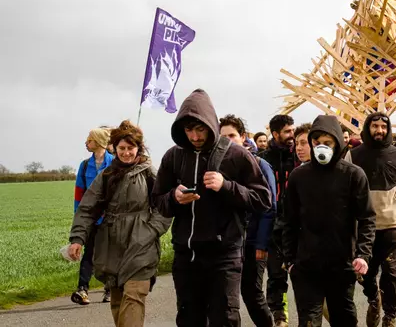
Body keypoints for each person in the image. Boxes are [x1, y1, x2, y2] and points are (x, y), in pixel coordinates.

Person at [152, 89, 271, 327]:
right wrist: (174, 198)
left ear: (210, 125)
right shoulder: (173, 157)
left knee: (224, 320)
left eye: (200, 129)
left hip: (224, 256)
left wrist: (226, 186)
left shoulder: (236, 154)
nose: (194, 136)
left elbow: (262, 199)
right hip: (186, 255)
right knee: (189, 321)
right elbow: (157, 202)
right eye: (188, 130)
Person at [68, 121, 171, 326]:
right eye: (121, 148)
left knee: (134, 296)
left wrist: (149, 231)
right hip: (111, 244)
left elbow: (165, 207)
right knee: (117, 300)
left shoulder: (149, 173)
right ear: (114, 148)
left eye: (130, 148)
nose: (126, 153)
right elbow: (87, 208)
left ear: (138, 148)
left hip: (142, 245)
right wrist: (77, 238)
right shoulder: (106, 176)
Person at [283, 115, 376, 327]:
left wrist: (363, 254)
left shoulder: (354, 175)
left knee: (343, 318)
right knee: (308, 321)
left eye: (327, 143)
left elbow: (367, 218)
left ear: (337, 143)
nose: (321, 148)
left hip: (341, 264)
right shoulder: (298, 177)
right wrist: (289, 260)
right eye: (316, 143)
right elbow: (289, 219)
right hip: (307, 265)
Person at [351, 113, 396, 327]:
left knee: (392, 276)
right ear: (367, 128)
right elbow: (344, 193)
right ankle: (374, 300)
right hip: (363, 228)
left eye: (383, 126)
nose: (379, 130)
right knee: (364, 274)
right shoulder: (353, 156)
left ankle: (390, 317)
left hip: (393, 225)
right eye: (375, 126)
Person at [220, 115, 278, 327]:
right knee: (225, 297)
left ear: (243, 137)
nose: (227, 140)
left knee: (251, 293)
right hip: (228, 241)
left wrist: (262, 243)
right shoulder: (219, 167)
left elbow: (269, 207)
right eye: (223, 137)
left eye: (232, 136)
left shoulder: (260, 165)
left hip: (253, 242)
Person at [71, 127, 114, 305]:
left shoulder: (115, 162)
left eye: (89, 140)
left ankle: (110, 289)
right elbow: (79, 192)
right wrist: (78, 216)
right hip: (91, 217)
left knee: (110, 254)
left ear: (98, 142)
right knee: (88, 253)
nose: (86, 143)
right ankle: (82, 289)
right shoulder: (84, 165)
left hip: (110, 217)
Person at [263, 114, 298, 327]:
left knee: (304, 275)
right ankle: (280, 316)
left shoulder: (300, 157)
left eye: (293, 130)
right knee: (276, 275)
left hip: (297, 225)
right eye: (287, 131)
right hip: (273, 227)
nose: (292, 135)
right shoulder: (263, 159)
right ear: (275, 134)